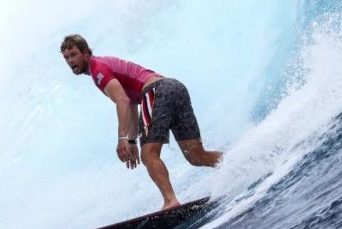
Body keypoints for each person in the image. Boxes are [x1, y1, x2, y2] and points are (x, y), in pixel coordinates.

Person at [60, 34, 222, 210]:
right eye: (66, 57)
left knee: (149, 155)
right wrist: (131, 140)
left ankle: (170, 201)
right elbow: (131, 104)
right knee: (196, 155)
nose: (70, 60)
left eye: (74, 54)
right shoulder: (102, 65)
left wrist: (122, 139)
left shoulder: (98, 69)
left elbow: (122, 101)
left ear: (86, 53)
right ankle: (238, 162)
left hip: (157, 91)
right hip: (175, 87)